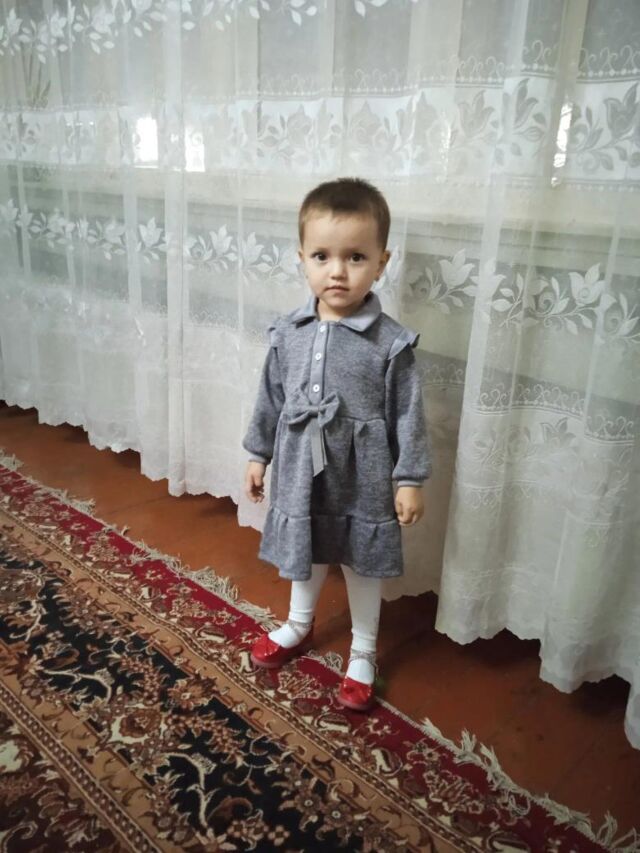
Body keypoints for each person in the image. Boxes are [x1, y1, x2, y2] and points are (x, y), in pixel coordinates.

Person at [242, 177, 431, 711]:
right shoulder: (287, 331)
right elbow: (270, 397)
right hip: (301, 468)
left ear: (381, 262)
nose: (337, 271)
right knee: (307, 547)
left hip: (362, 474)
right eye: (322, 256)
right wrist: (258, 454)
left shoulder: (391, 342)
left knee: (359, 560)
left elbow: (408, 414)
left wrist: (409, 478)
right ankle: (299, 623)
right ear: (301, 258)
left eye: (355, 257)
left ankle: (364, 649)